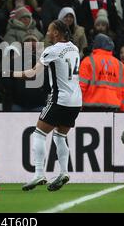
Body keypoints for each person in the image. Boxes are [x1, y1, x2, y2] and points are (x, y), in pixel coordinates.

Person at [12, 20, 82, 191]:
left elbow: (33, 73)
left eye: (50, 30)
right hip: (76, 100)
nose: (48, 33)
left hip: (60, 99)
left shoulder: (52, 50)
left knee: (39, 133)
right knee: (59, 136)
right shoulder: (74, 48)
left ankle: (39, 173)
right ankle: (64, 172)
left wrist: (11, 73)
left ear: (57, 32)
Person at [79, 34, 124, 112]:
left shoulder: (88, 61)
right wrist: (123, 108)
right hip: (113, 108)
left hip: (90, 107)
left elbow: (81, 86)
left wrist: (78, 105)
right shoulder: (120, 65)